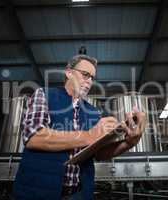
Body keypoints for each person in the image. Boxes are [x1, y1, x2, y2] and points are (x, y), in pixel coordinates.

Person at [13, 54, 146, 200]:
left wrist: (128, 143)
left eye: (92, 78)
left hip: (79, 193)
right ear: (69, 72)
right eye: (85, 75)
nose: (89, 81)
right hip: (38, 192)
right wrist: (89, 135)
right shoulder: (44, 95)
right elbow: (33, 137)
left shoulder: (93, 111)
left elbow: (99, 154)